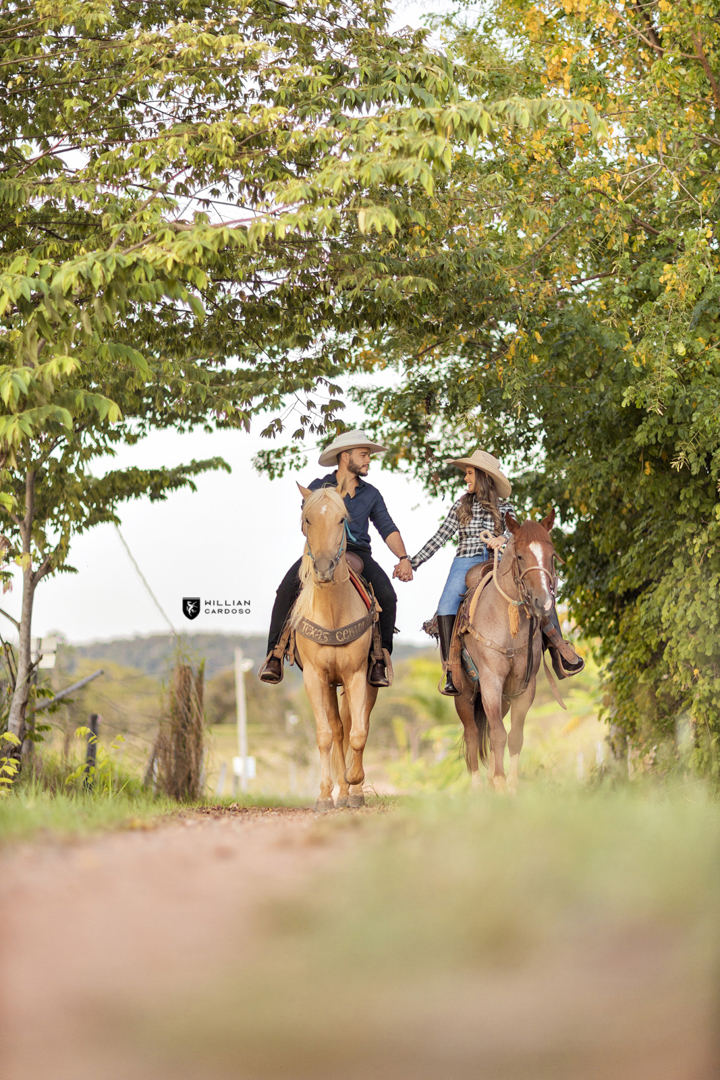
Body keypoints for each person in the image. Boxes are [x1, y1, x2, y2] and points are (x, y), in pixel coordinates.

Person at [408, 449, 584, 695]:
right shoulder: (460, 506)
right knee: (446, 605)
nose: (465, 478)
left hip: (499, 562)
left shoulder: (506, 507)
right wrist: (412, 562)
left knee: (539, 592)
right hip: (465, 561)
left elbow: (518, 537)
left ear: (483, 476)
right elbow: (440, 537)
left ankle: (560, 652)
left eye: (470, 473)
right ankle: (451, 669)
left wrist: (503, 538)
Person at [259, 429, 414, 688]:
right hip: (321, 551)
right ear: (345, 456)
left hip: (358, 553)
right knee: (285, 590)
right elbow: (305, 526)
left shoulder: (371, 494)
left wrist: (403, 557)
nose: (368, 460)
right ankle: (274, 654)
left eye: (368, 455)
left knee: (387, 595)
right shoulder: (318, 487)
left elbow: (387, 528)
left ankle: (379, 658)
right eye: (363, 455)